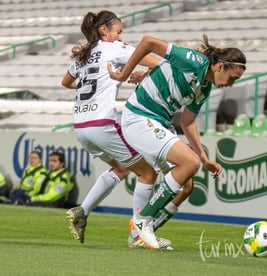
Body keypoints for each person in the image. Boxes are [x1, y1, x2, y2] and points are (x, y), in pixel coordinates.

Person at [61, 10, 191, 249]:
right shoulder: (116, 48)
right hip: (103, 122)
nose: (121, 36)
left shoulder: (83, 55)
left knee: (121, 169)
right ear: (104, 30)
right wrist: (141, 73)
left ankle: (82, 210)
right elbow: (159, 63)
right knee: (148, 174)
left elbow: (66, 82)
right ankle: (138, 235)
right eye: (118, 31)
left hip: (80, 125)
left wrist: (94, 81)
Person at [108, 34, 246, 249]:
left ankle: (140, 235)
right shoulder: (193, 61)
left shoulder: (205, 87)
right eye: (233, 78)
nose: (231, 84)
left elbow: (187, 121)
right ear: (220, 67)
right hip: (139, 116)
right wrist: (123, 75)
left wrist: (204, 157)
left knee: (186, 186)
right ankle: (143, 221)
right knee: (189, 164)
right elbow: (148, 42)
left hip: (159, 121)